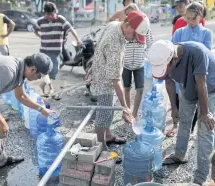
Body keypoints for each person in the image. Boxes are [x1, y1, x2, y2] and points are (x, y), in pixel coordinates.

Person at [0, 53, 54, 186]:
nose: (38, 78)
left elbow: (21, 96)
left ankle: (0, 160)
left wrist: (42, 109)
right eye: (39, 76)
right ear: (33, 69)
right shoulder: (8, 71)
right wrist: (1, 120)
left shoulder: (20, 70)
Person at [146, 40, 215, 185]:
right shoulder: (163, 55)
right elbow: (169, 82)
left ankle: (201, 177)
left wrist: (205, 113)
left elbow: (201, 83)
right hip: (188, 86)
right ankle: (180, 155)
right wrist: (174, 107)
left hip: (210, 89)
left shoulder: (197, 52)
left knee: (205, 129)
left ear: (175, 59)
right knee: (183, 121)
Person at [86, 11, 150, 150]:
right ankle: (101, 147)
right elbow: (116, 80)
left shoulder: (114, 24)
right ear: (128, 25)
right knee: (103, 115)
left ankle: (108, 136)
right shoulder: (115, 43)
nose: (132, 39)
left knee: (108, 112)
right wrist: (126, 108)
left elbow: (99, 48)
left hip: (102, 72)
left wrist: (93, 67)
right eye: (134, 35)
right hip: (105, 82)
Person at [166, 2, 210, 137]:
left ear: (201, 16)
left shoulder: (206, 33)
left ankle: (192, 130)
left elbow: (206, 53)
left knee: (198, 101)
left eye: (194, 19)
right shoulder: (179, 32)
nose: (190, 21)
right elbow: (172, 51)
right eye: (188, 18)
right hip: (181, 74)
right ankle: (179, 126)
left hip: (198, 75)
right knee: (182, 99)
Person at [109, 4, 154, 118]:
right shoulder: (124, 28)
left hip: (140, 64)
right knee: (127, 88)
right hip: (126, 64)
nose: (130, 16)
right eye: (128, 15)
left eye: (133, 13)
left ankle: (134, 113)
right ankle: (127, 111)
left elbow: (150, 44)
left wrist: (144, 55)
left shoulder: (144, 27)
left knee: (140, 89)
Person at [33, 2, 82, 96]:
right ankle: (50, 88)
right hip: (44, 50)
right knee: (45, 70)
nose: (50, 16)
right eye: (48, 14)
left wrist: (78, 40)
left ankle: (44, 84)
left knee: (54, 70)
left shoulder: (60, 19)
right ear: (45, 13)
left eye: (51, 14)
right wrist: (41, 36)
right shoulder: (41, 21)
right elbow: (34, 29)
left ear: (55, 12)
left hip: (55, 50)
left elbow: (71, 29)